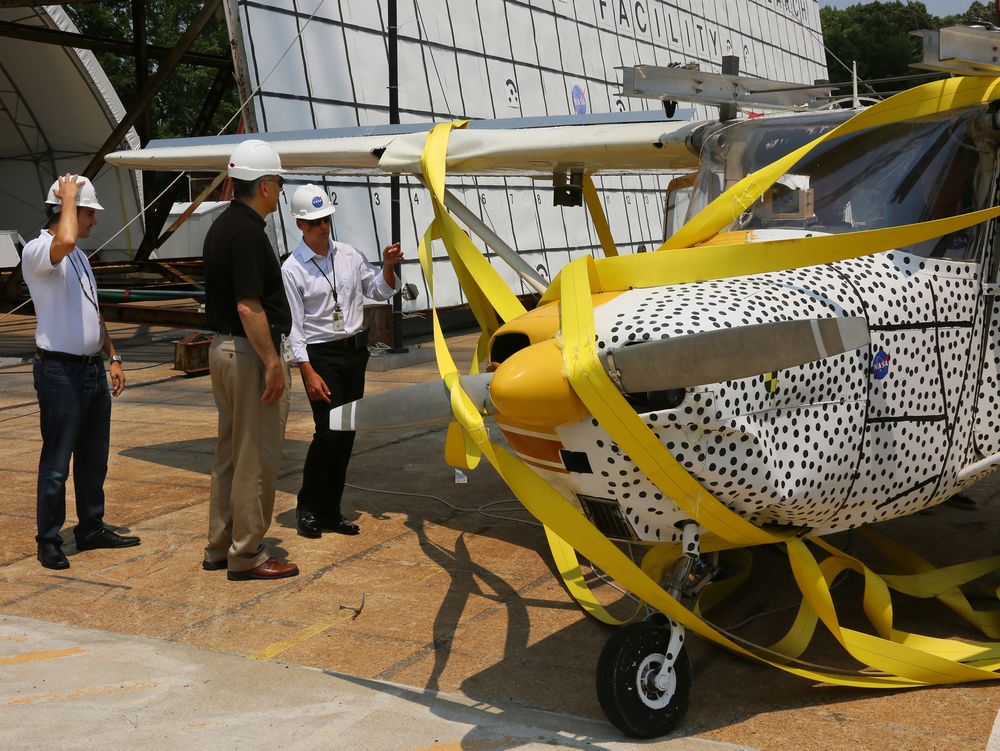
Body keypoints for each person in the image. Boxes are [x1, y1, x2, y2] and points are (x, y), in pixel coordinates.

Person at [22, 174, 140, 570]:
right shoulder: (41, 251)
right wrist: (70, 197)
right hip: (60, 372)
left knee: (94, 457)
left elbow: (93, 311)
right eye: (87, 212)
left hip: (89, 370)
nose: (93, 222)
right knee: (56, 463)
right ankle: (49, 539)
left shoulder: (78, 258)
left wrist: (113, 355)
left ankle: (91, 526)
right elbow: (66, 238)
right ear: (67, 210)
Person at [281, 184, 402, 538]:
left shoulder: (349, 255)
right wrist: (307, 371)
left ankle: (331, 510)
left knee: (346, 432)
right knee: (327, 433)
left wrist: (389, 266)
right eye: (315, 221)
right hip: (322, 356)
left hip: (354, 351)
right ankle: (308, 506)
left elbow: (378, 290)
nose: (323, 226)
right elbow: (294, 329)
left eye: (326, 218)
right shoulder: (292, 269)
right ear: (301, 225)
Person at [202, 139, 298, 581]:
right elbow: (249, 305)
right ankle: (248, 555)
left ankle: (220, 545)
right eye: (278, 183)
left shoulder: (222, 226)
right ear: (263, 185)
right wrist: (272, 362)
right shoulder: (248, 233)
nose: (279, 191)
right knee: (255, 457)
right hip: (247, 352)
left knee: (229, 454)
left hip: (222, 350)